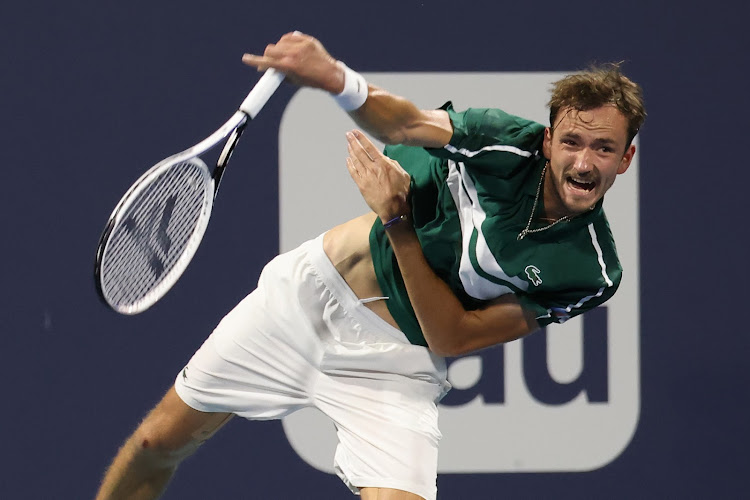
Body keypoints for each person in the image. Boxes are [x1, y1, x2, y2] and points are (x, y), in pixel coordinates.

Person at [95, 32, 646, 500]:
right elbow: (404, 125)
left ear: (625, 158)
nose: (582, 160)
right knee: (156, 443)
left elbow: (453, 336)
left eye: (603, 148)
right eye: (571, 141)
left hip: (396, 363)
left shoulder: (592, 272)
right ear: (548, 140)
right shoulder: (503, 143)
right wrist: (336, 77)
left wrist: (398, 223)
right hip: (305, 301)